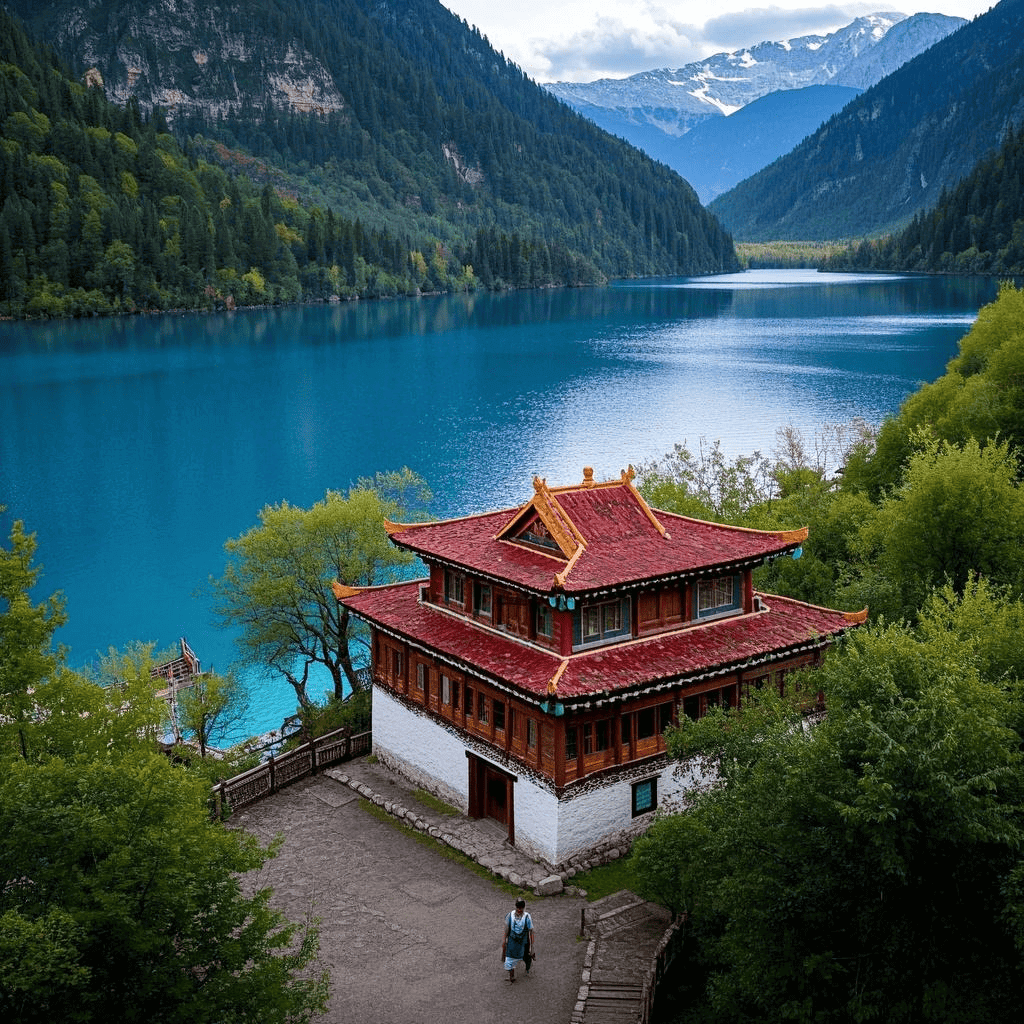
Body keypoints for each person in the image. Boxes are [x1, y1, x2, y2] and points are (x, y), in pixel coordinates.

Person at [501, 897, 535, 983]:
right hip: (513, 941)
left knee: (526, 956)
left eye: (521, 908)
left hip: (523, 941)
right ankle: (511, 976)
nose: (519, 910)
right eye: (518, 907)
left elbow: (531, 932)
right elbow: (506, 929)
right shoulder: (510, 915)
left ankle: (528, 969)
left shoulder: (527, 917)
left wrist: (532, 946)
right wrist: (504, 941)